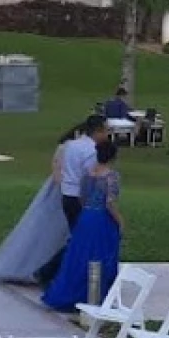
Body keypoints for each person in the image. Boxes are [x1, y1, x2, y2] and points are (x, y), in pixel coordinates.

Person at [0, 123, 86, 283]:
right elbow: (57, 171)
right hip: (60, 193)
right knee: (48, 231)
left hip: (68, 190)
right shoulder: (66, 147)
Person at [41, 140, 124, 313]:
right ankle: (95, 295)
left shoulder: (87, 175)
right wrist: (119, 220)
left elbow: (82, 197)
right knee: (101, 256)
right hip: (101, 219)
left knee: (79, 254)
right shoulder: (111, 177)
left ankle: (71, 292)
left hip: (86, 216)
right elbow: (110, 202)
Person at [35, 116, 108, 288]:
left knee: (77, 238)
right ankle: (48, 271)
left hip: (67, 195)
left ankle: (56, 272)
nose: (107, 134)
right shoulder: (91, 151)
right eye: (105, 130)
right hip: (79, 198)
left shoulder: (72, 145)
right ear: (97, 131)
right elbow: (89, 178)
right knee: (79, 240)